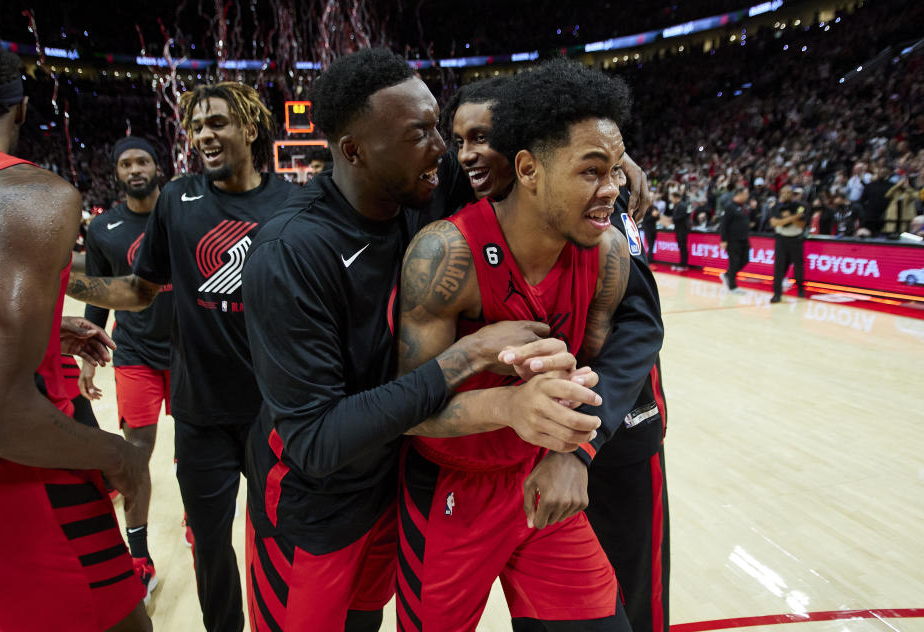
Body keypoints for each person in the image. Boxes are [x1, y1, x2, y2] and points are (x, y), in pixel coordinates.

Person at [241, 48, 603, 632]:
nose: (444, 149)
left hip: (394, 488)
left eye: (439, 126)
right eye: (421, 134)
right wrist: (470, 355)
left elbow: (528, 156)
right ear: (353, 150)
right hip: (316, 510)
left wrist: (609, 164)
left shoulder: (420, 186)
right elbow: (313, 439)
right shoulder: (293, 251)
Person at [396, 58, 635, 632]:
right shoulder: (444, 255)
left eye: (618, 172)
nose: (612, 192)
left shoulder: (607, 254)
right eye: (592, 172)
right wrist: (508, 405)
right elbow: (403, 409)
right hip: (453, 490)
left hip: (540, 480)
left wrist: (569, 451)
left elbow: (593, 369)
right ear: (528, 169)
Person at [65, 82, 296, 632]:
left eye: (216, 123)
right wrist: (60, 280)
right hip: (199, 413)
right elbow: (141, 290)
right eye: (196, 127)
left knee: (277, 542)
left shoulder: (292, 201)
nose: (203, 136)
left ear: (251, 127)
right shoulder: (177, 199)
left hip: (274, 410)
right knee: (211, 548)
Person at [445, 74, 669, 632]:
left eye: (486, 136)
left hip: (609, 434)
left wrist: (583, 445)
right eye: (462, 140)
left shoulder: (596, 211)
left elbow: (640, 327)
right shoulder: (458, 210)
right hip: (507, 458)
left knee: (631, 601)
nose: (472, 154)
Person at [0, 25, 150, 632]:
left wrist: (43, 326)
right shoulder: (23, 192)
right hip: (15, 482)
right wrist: (115, 453)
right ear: (21, 104)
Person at [79, 136, 175, 601]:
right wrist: (87, 359)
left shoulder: (181, 212)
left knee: (197, 451)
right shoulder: (105, 229)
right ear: (116, 172)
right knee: (136, 454)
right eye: (125, 163)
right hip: (136, 354)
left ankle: (199, 524)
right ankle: (139, 557)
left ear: (158, 167)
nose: (135, 169)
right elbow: (96, 293)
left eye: (143, 161)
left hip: (191, 353)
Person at [769, 185, 807, 302]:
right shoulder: (775, 207)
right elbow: (774, 223)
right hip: (781, 240)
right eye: (784, 192)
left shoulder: (800, 206)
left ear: (793, 194)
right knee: (779, 267)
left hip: (796, 239)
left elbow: (801, 224)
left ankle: (800, 289)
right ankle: (777, 294)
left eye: (789, 192)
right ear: (780, 193)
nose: (786, 194)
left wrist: (788, 218)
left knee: (798, 266)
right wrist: (793, 218)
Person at [719, 184, 751, 293]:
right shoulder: (730, 207)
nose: (748, 196)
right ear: (739, 194)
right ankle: (732, 287)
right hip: (733, 240)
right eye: (746, 194)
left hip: (744, 239)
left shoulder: (743, 207)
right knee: (734, 262)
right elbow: (724, 224)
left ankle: (728, 275)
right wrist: (723, 240)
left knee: (745, 259)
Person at [670, 190, 689, 270]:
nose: (671, 199)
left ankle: (684, 265)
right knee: (681, 247)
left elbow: (681, 217)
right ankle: (682, 263)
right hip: (678, 230)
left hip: (682, 230)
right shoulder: (677, 206)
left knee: (683, 247)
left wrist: (672, 219)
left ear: (676, 198)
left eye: (672, 198)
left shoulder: (682, 206)